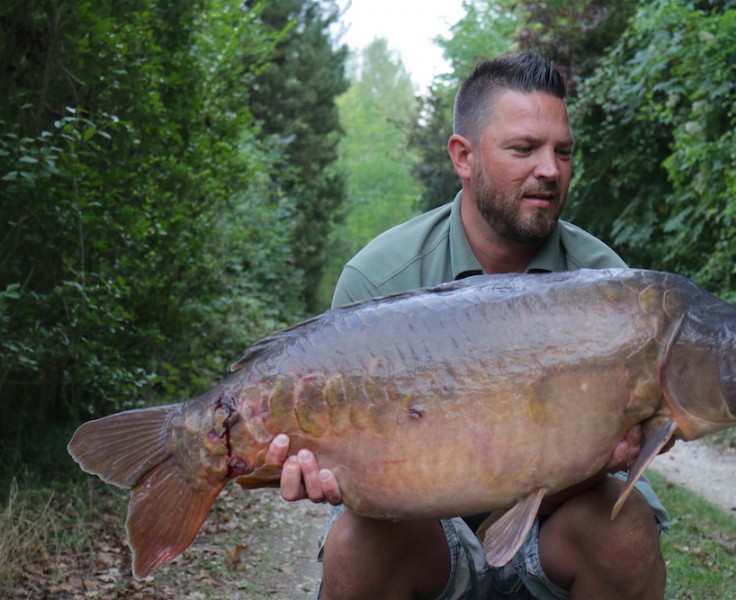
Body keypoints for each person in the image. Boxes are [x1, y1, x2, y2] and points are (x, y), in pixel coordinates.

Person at [265, 51, 670, 599]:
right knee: (357, 544)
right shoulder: (380, 278)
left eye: (563, 151)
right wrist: (320, 471)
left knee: (624, 528)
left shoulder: (606, 285)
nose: (549, 170)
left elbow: (633, 448)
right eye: (524, 149)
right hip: (428, 535)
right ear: (464, 156)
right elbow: (345, 467)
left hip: (554, 526)